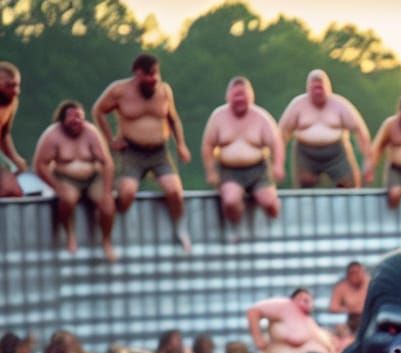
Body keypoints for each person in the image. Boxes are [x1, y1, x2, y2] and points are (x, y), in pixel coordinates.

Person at [91, 53, 192, 251]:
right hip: (131, 151)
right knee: (127, 193)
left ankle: (181, 229)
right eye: (149, 75)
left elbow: (173, 119)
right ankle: (111, 225)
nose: (154, 78)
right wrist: (111, 140)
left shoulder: (164, 90)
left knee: (174, 190)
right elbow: (98, 111)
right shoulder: (119, 90)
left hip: (159, 152)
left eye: (156, 74)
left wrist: (181, 144)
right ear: (138, 73)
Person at [32, 100, 117, 260]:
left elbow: (107, 163)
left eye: (79, 118)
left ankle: (106, 241)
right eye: (72, 118)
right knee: (67, 199)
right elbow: (40, 164)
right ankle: (70, 234)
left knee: (107, 203)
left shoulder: (91, 132)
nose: (76, 121)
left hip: (92, 178)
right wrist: (57, 186)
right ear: (62, 120)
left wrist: (107, 190)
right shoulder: (52, 135)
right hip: (66, 178)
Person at [201, 76, 284, 227]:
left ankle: (276, 225)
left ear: (251, 97)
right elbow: (207, 145)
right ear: (228, 97)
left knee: (268, 202)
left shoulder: (261, 117)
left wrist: (278, 165)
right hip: (229, 170)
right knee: (230, 201)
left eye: (243, 95)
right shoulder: (218, 116)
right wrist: (211, 171)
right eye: (236, 95)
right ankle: (238, 229)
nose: (239, 99)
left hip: (258, 169)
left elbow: (276, 143)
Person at [278, 69, 371, 189]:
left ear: (328, 88)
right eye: (314, 88)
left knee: (349, 185)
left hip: (337, 152)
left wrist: (367, 160)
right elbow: (282, 133)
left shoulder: (340, 105)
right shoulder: (297, 105)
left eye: (321, 88)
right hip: (305, 153)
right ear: (308, 89)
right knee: (304, 188)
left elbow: (360, 131)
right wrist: (278, 163)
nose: (318, 92)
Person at [240, 287, 333, 353]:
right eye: (304, 298)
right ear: (294, 299)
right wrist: (258, 339)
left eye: (310, 300)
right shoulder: (286, 306)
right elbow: (254, 311)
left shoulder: (308, 321)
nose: (308, 302)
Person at [0, 62, 27, 198]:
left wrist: (15, 158)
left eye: (17, 85)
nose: (16, 91)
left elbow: (4, 133)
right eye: (9, 85)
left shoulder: (11, 101)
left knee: (14, 191)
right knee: (9, 189)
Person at [328, 261, 370, 341]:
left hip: (369, 320)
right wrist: (350, 309)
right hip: (351, 321)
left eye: (357, 272)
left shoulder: (371, 284)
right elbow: (333, 307)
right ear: (347, 274)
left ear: (363, 272)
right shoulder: (342, 287)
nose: (355, 276)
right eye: (352, 273)